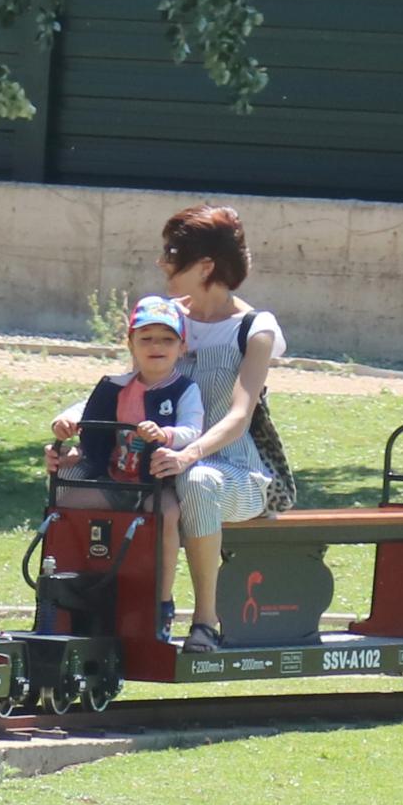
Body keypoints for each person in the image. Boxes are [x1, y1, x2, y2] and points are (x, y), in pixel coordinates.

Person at [52, 295, 222, 644]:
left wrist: (167, 435)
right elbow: (85, 410)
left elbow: (193, 428)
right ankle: (71, 589)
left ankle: (160, 600)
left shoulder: (183, 390)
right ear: (130, 344)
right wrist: (68, 422)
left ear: (181, 346)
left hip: (155, 487)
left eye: (166, 339)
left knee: (167, 515)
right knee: (65, 497)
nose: (156, 346)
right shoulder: (116, 386)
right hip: (115, 480)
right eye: (146, 339)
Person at [156, 204, 288, 569]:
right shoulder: (163, 317)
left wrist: (188, 455)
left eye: (172, 254)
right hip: (163, 463)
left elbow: (240, 416)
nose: (162, 263)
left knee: (197, 483)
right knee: (73, 476)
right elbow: (131, 392)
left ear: (206, 266)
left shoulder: (254, 328)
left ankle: (205, 619)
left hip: (233, 471)